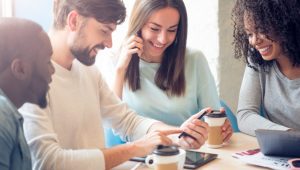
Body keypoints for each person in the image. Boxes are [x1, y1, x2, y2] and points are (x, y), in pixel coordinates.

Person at [19, 0, 212, 169]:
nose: (110, 43)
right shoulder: (27, 78)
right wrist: (136, 147)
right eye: (104, 31)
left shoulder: (87, 69)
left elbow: (127, 121)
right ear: (74, 21)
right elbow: (47, 162)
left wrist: (177, 135)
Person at [110, 0, 232, 141]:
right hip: (140, 156)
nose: (162, 39)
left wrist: (220, 129)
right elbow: (114, 123)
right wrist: (120, 70)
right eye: (154, 29)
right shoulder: (117, 61)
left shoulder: (194, 59)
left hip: (191, 155)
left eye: (172, 30)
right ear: (138, 24)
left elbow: (212, 121)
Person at [232, 0, 300, 136]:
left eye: (262, 30)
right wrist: (289, 135)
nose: (255, 41)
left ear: (285, 24)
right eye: (250, 34)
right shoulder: (257, 61)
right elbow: (245, 115)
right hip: (282, 150)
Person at [0, 17, 54, 170]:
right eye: (47, 62)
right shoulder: (2, 115)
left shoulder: (10, 114)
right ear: (20, 69)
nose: (53, 71)